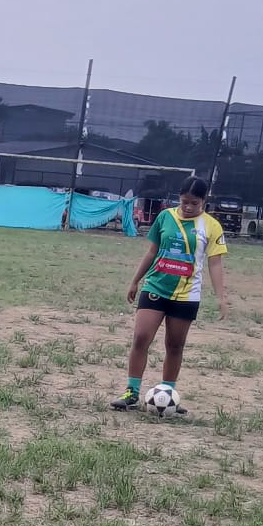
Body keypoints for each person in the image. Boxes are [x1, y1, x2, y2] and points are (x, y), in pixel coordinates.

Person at [110, 175, 230, 414]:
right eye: (184, 201)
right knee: (141, 337)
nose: (188, 207)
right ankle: (131, 392)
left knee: (175, 345)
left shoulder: (212, 226)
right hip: (155, 286)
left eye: (194, 203)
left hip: (187, 295)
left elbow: (215, 263)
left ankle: (168, 396)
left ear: (204, 201)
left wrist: (221, 296)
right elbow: (152, 251)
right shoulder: (165, 217)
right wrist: (135, 280)